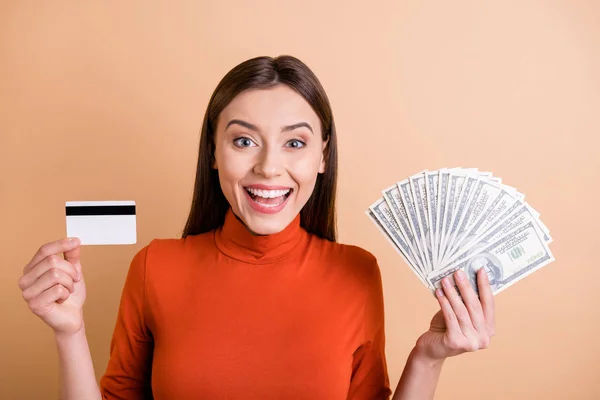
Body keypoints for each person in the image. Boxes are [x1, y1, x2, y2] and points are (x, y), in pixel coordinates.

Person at [17, 55, 495, 400]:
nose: (268, 167)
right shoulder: (155, 265)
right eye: (244, 140)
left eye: (294, 143)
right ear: (213, 152)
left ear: (322, 156)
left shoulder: (357, 271)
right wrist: (69, 333)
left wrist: (428, 358)